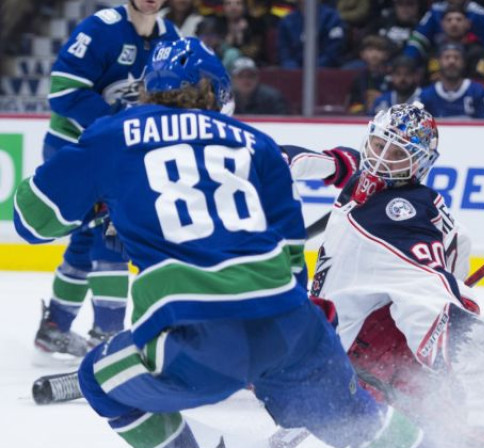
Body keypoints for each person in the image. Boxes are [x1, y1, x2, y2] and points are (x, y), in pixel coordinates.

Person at [13, 37, 426, 448]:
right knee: (364, 429)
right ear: (218, 91)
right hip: (294, 329)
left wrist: (102, 202)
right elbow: (292, 264)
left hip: (197, 340)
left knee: (96, 381)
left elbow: (31, 222)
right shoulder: (256, 142)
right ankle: (443, 440)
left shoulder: (113, 136)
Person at [292, 103, 484, 447]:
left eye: (398, 153)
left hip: (364, 363)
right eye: (378, 144)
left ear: (419, 164)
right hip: (357, 346)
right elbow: (343, 164)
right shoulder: (373, 183)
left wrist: (460, 338)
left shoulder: (399, 216)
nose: (382, 158)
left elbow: (424, 285)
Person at [34, 0, 181, 361]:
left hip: (120, 152)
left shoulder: (171, 37)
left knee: (87, 239)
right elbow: (64, 93)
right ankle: (108, 336)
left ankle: (55, 326)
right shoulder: (100, 28)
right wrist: (121, 126)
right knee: (110, 232)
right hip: (76, 149)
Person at [418, 43, 484, 118]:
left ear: (464, 62)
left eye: (456, 57)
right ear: (439, 62)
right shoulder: (425, 95)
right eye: (447, 57)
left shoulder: (479, 92)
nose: (452, 61)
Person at [278, 1, 345, 68]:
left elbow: (332, 53)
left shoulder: (332, 18)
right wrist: (294, 71)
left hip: (326, 71)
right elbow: (285, 53)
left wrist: (312, 68)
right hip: (295, 71)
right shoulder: (287, 21)